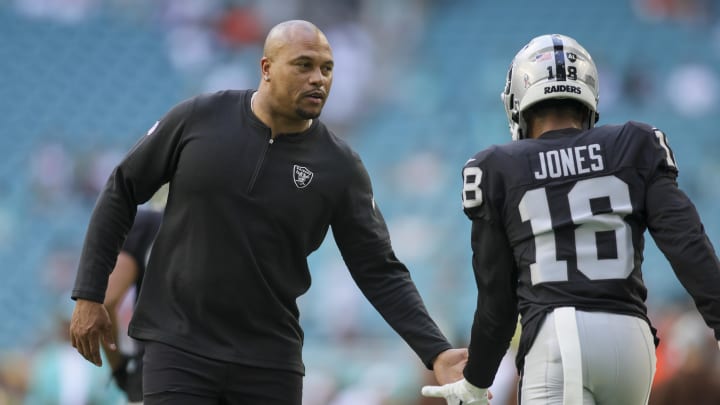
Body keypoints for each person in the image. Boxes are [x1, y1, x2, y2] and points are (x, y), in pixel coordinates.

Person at [69, 19, 465, 404]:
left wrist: (436, 351)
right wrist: (89, 294)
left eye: (327, 68)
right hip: (177, 348)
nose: (319, 79)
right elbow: (121, 187)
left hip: (269, 362)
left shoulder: (340, 167)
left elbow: (379, 269)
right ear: (267, 68)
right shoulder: (198, 118)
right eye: (304, 65)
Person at [422, 33, 720, 404]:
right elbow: (687, 245)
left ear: (519, 102)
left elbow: (497, 299)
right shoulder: (636, 142)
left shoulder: (496, 167)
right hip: (633, 340)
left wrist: (477, 379)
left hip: (558, 335)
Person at [102, 208, 162, 404]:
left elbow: (106, 302)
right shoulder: (229, 226)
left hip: (152, 375)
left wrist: (119, 367)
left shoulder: (150, 224)